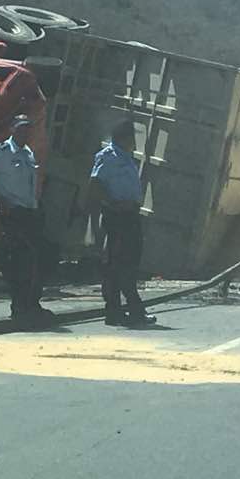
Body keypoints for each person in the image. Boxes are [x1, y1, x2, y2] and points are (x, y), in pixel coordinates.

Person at [0, 115, 54, 328]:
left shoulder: (28, 153)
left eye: (27, 129)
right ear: (12, 129)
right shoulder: (1, 153)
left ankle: (32, 304)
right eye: (20, 129)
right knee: (21, 260)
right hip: (12, 213)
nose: (25, 133)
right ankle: (20, 307)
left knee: (39, 258)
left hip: (29, 212)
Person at [89, 119, 156, 328]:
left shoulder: (126, 158)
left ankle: (124, 311)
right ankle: (121, 311)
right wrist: (112, 204)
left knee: (128, 263)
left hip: (130, 215)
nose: (134, 142)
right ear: (123, 138)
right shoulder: (109, 157)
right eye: (131, 137)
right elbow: (95, 185)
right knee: (117, 265)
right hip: (118, 216)